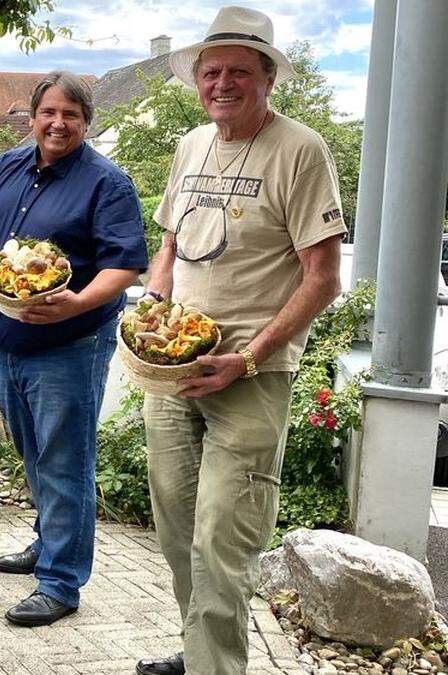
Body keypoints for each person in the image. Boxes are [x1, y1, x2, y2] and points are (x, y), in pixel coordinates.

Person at [134, 7, 345, 675]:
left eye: (239, 72)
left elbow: (324, 277)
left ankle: (214, 668)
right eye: (211, 72)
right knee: (174, 529)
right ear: (198, 81)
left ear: (267, 79)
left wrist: (249, 355)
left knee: (224, 537)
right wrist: (153, 307)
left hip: (251, 372)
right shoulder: (192, 144)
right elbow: (169, 245)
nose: (222, 83)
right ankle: (202, 650)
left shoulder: (301, 149)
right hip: (172, 371)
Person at [0, 71, 148, 627]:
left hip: (69, 342)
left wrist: (77, 302)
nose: (58, 123)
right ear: (33, 116)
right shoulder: (7, 166)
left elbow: (127, 263)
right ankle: (48, 541)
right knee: (33, 451)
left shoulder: (107, 183)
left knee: (64, 460)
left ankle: (60, 582)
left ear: (87, 122)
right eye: (49, 113)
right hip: (9, 340)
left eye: (71, 115)